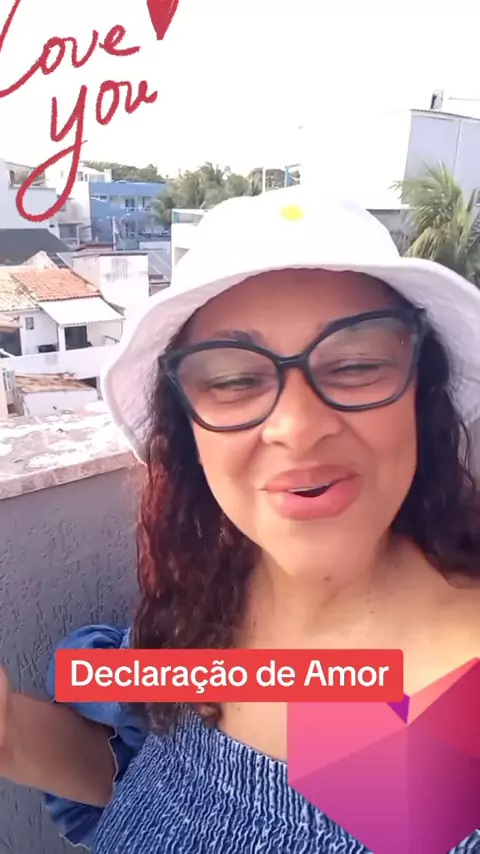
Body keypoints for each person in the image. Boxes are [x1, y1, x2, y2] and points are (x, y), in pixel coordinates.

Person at [1, 186, 480, 853]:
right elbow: (167, 794)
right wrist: (9, 729)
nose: (298, 427)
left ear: (419, 392)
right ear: (188, 428)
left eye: (356, 365)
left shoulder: (457, 703)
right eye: (232, 380)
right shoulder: (215, 590)